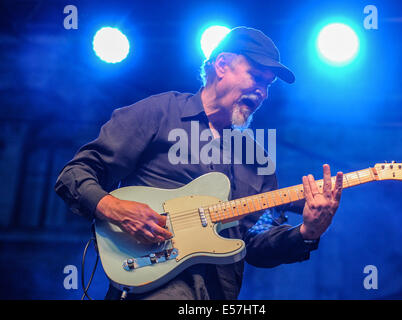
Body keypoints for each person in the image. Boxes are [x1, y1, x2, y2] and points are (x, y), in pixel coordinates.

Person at [55, 26, 343, 300]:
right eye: (255, 77)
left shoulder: (257, 159)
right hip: (146, 287)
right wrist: (115, 209)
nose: (261, 93)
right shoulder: (160, 113)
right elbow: (74, 174)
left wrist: (308, 231)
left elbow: (257, 242)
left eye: (268, 86)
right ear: (222, 65)